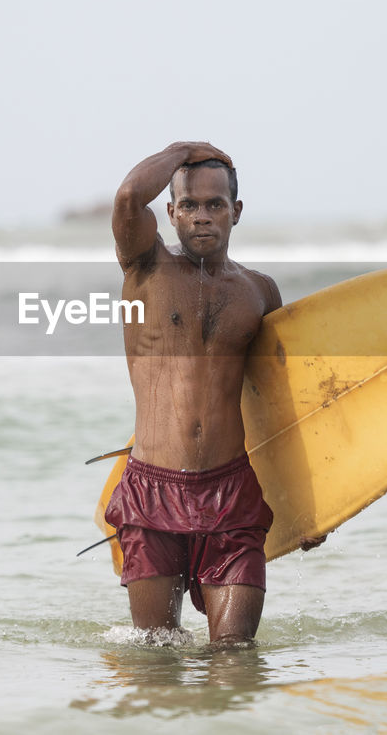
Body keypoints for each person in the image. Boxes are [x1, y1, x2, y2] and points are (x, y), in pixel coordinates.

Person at [104, 141, 324, 646]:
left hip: (232, 495)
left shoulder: (259, 292)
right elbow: (126, 198)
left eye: (215, 205)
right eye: (190, 206)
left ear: (236, 212)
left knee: (235, 659)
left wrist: (308, 506)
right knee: (156, 662)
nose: (202, 217)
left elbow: (276, 405)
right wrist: (184, 150)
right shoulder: (146, 268)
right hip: (150, 491)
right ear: (171, 213)